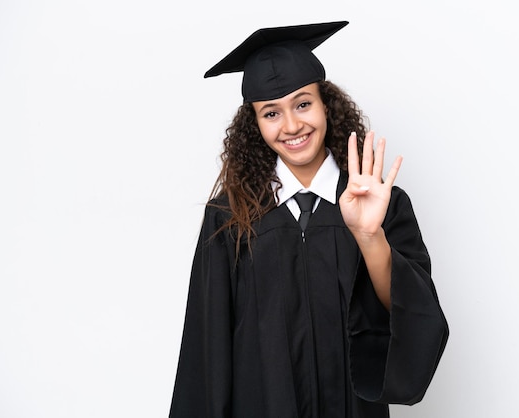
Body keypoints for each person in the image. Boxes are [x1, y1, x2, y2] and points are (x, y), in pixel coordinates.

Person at [169, 21, 449, 418]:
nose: (292, 125)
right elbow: (206, 348)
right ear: (255, 125)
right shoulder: (228, 218)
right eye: (271, 113)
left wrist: (369, 236)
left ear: (326, 105)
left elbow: (414, 317)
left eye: (303, 103)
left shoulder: (382, 204)